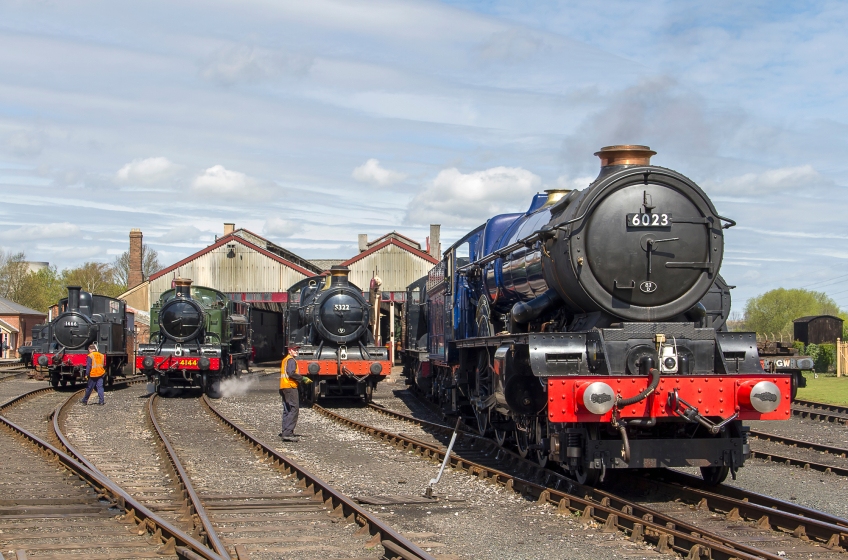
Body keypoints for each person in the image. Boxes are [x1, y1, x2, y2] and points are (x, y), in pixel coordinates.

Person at [279, 346, 311, 441]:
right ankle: (288, 433)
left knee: (287, 409)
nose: (296, 351)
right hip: (290, 387)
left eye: (297, 350)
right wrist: (302, 378)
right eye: (294, 350)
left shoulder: (285, 359)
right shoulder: (291, 360)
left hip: (284, 386)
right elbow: (291, 373)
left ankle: (285, 431)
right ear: (290, 351)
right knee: (294, 409)